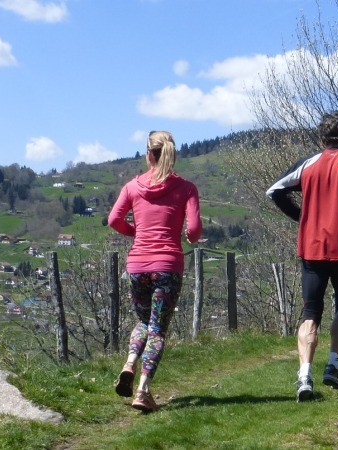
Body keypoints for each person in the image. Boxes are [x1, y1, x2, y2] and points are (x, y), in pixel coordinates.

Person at [266, 111, 338, 402]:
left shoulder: (308, 164)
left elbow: (275, 190)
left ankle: (304, 377)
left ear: (322, 136)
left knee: (310, 312)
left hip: (312, 247)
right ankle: (333, 363)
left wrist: (302, 217)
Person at [108, 130, 202, 412]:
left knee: (142, 321)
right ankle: (143, 390)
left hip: (137, 265)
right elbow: (195, 231)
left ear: (148, 154)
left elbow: (114, 219)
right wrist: (186, 234)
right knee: (158, 330)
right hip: (167, 266)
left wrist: (136, 231)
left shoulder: (133, 186)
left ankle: (128, 363)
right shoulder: (186, 188)